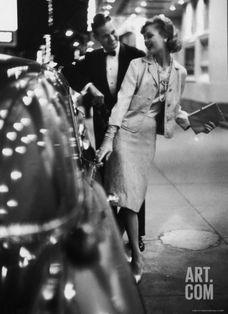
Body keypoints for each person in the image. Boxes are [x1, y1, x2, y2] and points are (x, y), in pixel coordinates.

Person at [96, 15, 215, 283]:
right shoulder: (138, 66)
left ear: (166, 36)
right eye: (145, 35)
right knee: (128, 199)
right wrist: (108, 137)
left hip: (147, 139)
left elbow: (172, 109)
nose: (146, 40)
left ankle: (109, 251)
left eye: (151, 34)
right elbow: (122, 102)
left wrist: (195, 122)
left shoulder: (179, 73)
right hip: (125, 135)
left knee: (131, 198)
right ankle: (137, 258)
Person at [62, 13, 146, 251]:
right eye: (105, 36)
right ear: (97, 38)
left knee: (134, 183)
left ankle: (137, 234)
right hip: (103, 128)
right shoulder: (92, 58)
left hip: (130, 129)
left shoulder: (136, 56)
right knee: (110, 181)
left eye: (113, 32)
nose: (112, 38)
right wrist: (89, 87)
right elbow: (67, 71)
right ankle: (111, 229)